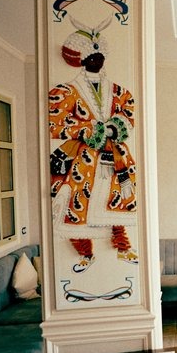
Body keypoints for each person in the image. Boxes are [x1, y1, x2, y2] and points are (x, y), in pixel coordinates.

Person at [49, 20, 138, 274]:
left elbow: (128, 112)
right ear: (82, 59)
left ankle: (123, 247)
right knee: (76, 205)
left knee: (117, 201)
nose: (97, 60)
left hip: (115, 156)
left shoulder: (118, 91)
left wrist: (115, 126)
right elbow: (55, 122)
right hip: (83, 158)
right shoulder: (67, 91)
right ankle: (85, 253)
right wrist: (88, 129)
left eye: (100, 56)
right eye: (92, 56)